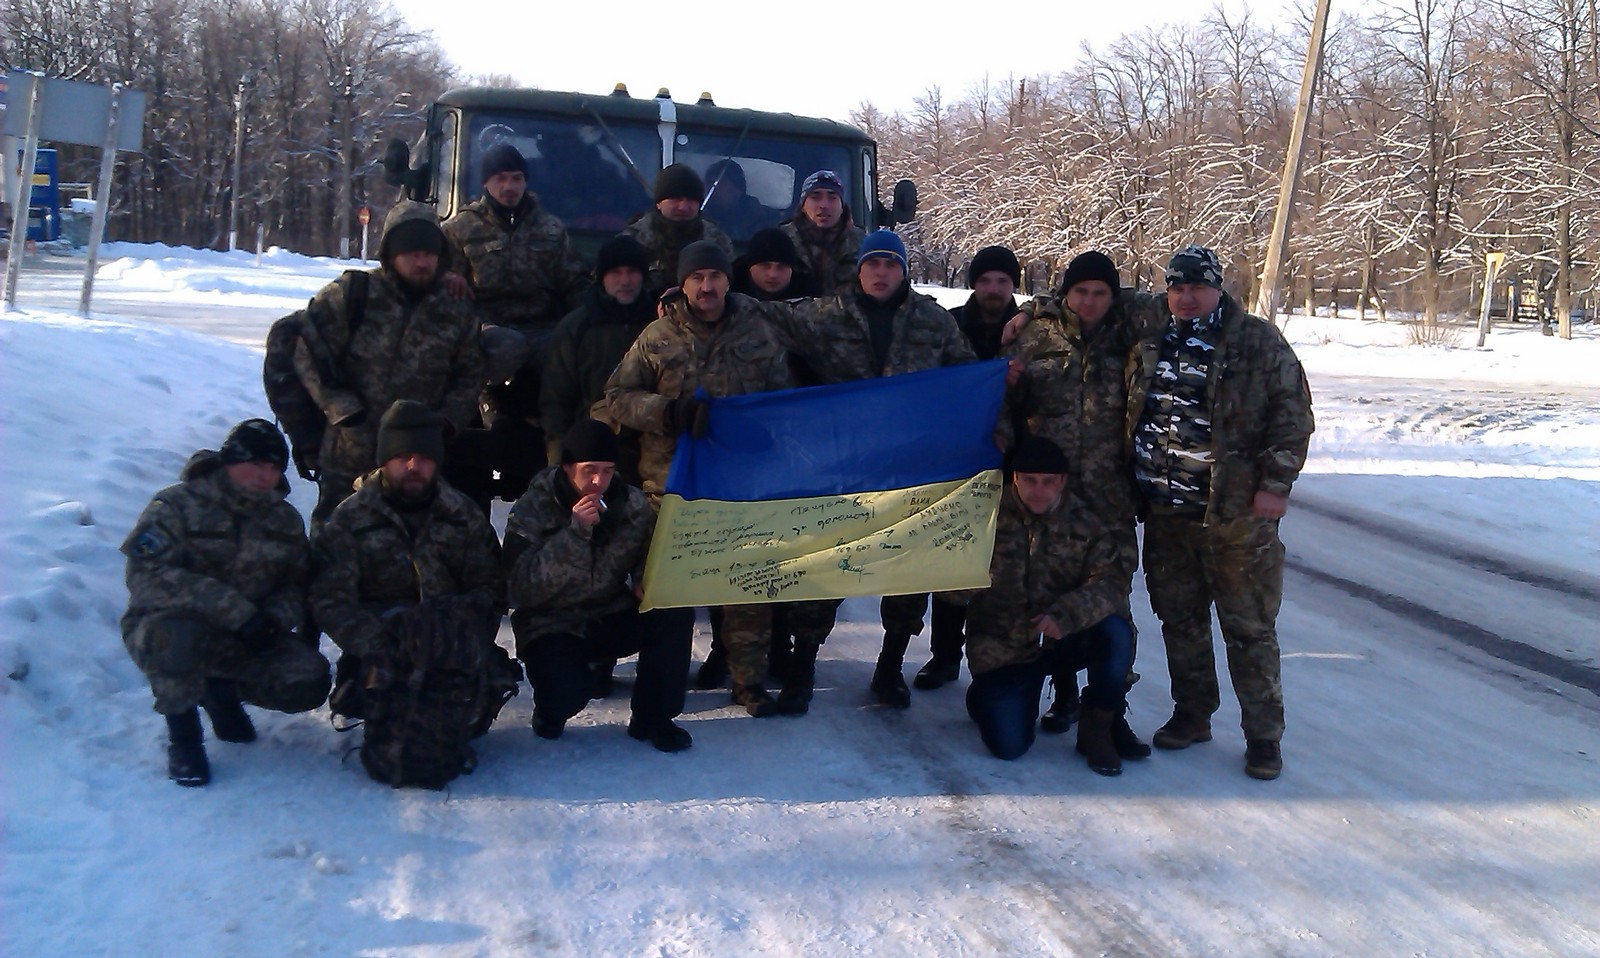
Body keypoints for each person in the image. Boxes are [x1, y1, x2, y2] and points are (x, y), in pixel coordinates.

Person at [758, 229, 978, 708]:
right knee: (826, 565)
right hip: (846, 466)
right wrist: (692, 295)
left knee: (906, 569)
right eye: (872, 264)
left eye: (890, 264)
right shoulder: (826, 315)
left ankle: (889, 668)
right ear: (858, 270)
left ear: (903, 271)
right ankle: (802, 668)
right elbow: (763, 314)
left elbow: (966, 376)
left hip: (908, 467)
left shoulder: (933, 321)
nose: (881, 273)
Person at [1129, 245, 1314, 781]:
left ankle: (1263, 736)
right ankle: (1193, 714)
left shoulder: (1257, 341)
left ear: (1218, 289)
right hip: (1167, 511)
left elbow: (1293, 415)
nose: (1187, 297)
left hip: (1236, 516)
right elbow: (1085, 295)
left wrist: (1275, 484)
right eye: (1177, 287)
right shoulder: (1150, 334)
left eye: (1197, 287)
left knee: (1249, 627)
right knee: (1180, 620)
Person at [601, 241, 799, 716]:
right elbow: (617, 397)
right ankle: (661, 689)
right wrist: (669, 413)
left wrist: (759, 431)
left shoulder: (759, 332)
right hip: (671, 487)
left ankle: (748, 682)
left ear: (729, 280)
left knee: (747, 590)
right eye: (696, 278)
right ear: (683, 283)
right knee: (665, 594)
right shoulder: (657, 336)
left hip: (739, 488)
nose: (706, 286)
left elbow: (785, 402)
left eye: (714, 276)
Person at [310, 401, 516, 788]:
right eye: (401, 457)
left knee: (474, 712)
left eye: (423, 458)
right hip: (382, 641)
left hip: (447, 637)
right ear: (384, 459)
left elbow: (489, 588)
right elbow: (330, 599)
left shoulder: (462, 514)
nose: (412, 466)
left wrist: (458, 637)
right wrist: (379, 643)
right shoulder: (350, 519)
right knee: (390, 709)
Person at [120, 420, 331, 787]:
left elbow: (298, 585)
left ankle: (220, 693)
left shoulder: (284, 520)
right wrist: (235, 611)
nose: (266, 476)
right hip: (173, 628)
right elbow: (145, 575)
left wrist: (273, 621)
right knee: (175, 639)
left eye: (274, 468)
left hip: (249, 635)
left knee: (307, 679)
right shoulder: (177, 505)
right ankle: (184, 739)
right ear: (230, 461)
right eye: (257, 464)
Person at [1002, 250, 1150, 735]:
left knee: (1111, 597)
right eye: (1080, 292)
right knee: (1048, 589)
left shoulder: (1128, 332)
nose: (1089, 301)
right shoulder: (1035, 337)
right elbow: (1004, 402)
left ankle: (1108, 708)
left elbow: (1167, 300)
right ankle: (1062, 692)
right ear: (1066, 294)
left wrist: (1036, 302)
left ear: (1112, 296)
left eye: (1099, 293)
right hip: (1047, 492)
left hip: (1109, 494)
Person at [503, 420, 696, 752]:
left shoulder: (631, 504)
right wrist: (576, 533)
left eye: (607, 471)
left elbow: (649, 552)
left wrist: (644, 579)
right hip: (551, 621)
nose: (598, 481)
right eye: (589, 470)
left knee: (672, 613)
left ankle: (654, 719)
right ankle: (550, 711)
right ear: (567, 467)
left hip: (608, 609)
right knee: (567, 694)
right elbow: (520, 587)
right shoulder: (533, 508)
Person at [293, 201, 486, 523]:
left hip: (417, 458)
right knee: (337, 534)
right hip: (351, 449)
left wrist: (444, 423)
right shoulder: (353, 295)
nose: (422, 262)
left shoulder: (455, 309)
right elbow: (308, 352)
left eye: (429, 254)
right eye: (412, 253)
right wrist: (342, 410)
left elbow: (470, 374)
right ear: (390, 253)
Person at [959, 438, 1140, 773]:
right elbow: (947, 587)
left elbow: (1110, 583)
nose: (1039, 491)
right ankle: (987, 696)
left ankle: (1097, 726)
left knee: (1115, 631)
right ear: (1014, 478)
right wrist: (961, 583)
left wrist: (1067, 614)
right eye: (1029, 480)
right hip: (1005, 650)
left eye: (1048, 481)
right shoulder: (983, 517)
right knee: (1008, 746)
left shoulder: (1085, 522)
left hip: (1062, 639)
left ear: (1063, 481)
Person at [440, 143, 591, 506]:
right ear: (486, 183)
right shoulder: (460, 230)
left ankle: (556, 439)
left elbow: (572, 283)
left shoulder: (550, 229)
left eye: (517, 178)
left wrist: (591, 320)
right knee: (505, 346)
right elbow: (446, 288)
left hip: (541, 325)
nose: (509, 187)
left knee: (571, 350)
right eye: (501, 179)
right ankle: (492, 413)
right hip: (486, 327)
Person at [910, 245, 1028, 694]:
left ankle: (997, 661)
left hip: (1015, 460)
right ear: (973, 284)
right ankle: (944, 656)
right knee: (952, 557)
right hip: (957, 459)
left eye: (1002, 281)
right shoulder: (949, 325)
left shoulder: (1032, 329)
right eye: (985, 281)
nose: (994, 289)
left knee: (1004, 565)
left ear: (1013, 285)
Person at [540, 233, 655, 484]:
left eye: (632, 272)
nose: (625, 281)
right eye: (616, 272)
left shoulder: (661, 325)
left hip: (655, 452)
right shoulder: (576, 328)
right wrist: (561, 466)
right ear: (602, 277)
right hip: (594, 454)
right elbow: (557, 403)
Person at [623, 163, 733, 295]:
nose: (683, 207)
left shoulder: (717, 241)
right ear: (659, 203)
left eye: (691, 200)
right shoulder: (632, 241)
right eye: (675, 199)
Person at [781, 169, 865, 295]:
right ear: (803, 206)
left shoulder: (862, 244)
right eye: (815, 197)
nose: (824, 205)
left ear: (842, 206)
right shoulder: (782, 241)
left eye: (832, 198)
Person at [731, 227, 819, 301]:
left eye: (781, 267)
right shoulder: (726, 299)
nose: (773, 275)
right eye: (765, 266)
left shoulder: (813, 301)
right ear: (750, 267)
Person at [703, 159, 779, 238]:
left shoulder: (766, 217)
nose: (714, 189)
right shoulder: (703, 218)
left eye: (720, 183)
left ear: (737, 186)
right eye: (709, 183)